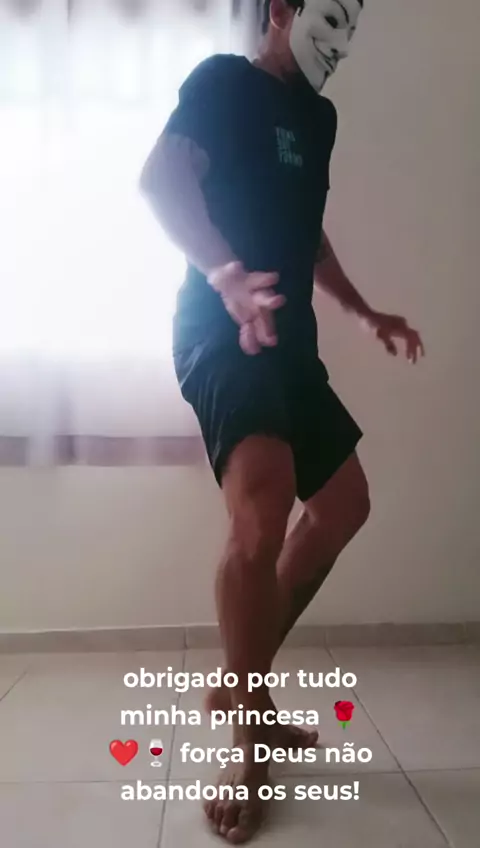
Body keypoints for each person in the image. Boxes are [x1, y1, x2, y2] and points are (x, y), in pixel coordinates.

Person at [140, 0, 425, 842]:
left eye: (353, 25)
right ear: (279, 12)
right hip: (221, 330)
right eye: (328, 16)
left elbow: (308, 234)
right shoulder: (224, 84)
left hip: (289, 341)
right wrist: (225, 274)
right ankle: (247, 738)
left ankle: (244, 676)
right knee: (262, 513)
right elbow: (162, 179)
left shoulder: (317, 119)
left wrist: (365, 312)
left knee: (343, 506)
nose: (342, 41)